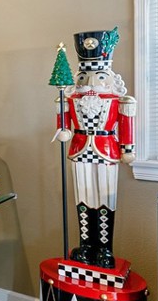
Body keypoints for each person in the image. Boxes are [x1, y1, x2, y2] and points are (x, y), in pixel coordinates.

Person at [54, 28, 136, 269]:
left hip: (106, 151)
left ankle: (104, 248)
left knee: (105, 199)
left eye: (98, 76)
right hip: (79, 150)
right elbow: (63, 123)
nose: (90, 83)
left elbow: (126, 125)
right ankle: (86, 245)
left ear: (109, 77)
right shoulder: (69, 99)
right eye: (83, 77)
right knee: (83, 197)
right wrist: (63, 130)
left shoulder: (119, 101)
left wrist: (127, 148)